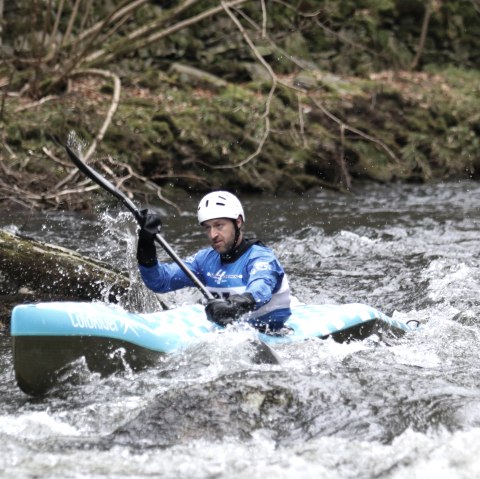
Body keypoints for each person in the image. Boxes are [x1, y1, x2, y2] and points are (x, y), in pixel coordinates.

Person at [136, 191, 291, 332]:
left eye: (219, 225)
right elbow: (159, 281)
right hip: (229, 334)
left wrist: (234, 305)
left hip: (270, 331)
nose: (213, 234)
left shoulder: (261, 258)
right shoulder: (204, 260)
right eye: (207, 228)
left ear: (238, 222)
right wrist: (146, 243)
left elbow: (261, 289)